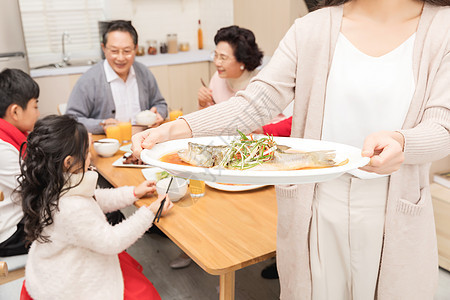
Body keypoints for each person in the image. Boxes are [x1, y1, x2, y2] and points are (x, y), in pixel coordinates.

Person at [131, 1, 450, 299]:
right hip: (317, 204)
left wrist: (403, 143)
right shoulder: (311, 28)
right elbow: (255, 103)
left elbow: (443, 124)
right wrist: (174, 129)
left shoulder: (442, 28)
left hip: (394, 208)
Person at [17, 115, 173, 299]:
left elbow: (95, 198)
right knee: (145, 293)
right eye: (86, 151)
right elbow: (112, 241)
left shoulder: (52, 184)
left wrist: (133, 193)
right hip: (70, 281)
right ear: (68, 162)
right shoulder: (71, 208)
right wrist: (149, 213)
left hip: (56, 261)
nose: (90, 156)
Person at [66, 20, 168, 134]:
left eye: (127, 51)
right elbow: (71, 120)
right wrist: (102, 124)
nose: (120, 58)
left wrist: (158, 113)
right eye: (114, 51)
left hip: (144, 139)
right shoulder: (89, 80)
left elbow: (160, 104)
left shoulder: (143, 72)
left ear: (136, 48)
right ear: (104, 48)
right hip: (109, 144)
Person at [0, 68, 40, 257]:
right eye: (35, 106)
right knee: (105, 219)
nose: (38, 113)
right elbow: (36, 189)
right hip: (9, 233)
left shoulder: (12, 137)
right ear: (15, 111)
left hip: (19, 215)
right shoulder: (3, 149)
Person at [198, 25, 263, 109]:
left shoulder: (259, 85)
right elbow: (208, 117)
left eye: (223, 58)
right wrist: (203, 103)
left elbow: (276, 120)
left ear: (242, 61)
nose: (217, 62)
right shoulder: (217, 78)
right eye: (215, 55)